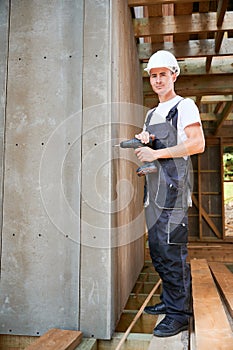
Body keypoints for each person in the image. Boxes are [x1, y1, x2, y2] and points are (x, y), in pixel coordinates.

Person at [134, 50, 205, 337]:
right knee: (159, 251)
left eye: (164, 74)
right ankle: (170, 301)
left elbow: (196, 143)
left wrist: (155, 153)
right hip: (155, 193)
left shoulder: (184, 106)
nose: (158, 79)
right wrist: (147, 162)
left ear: (174, 75)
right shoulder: (152, 113)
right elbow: (155, 157)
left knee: (173, 251)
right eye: (153, 75)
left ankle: (179, 314)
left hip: (174, 195)